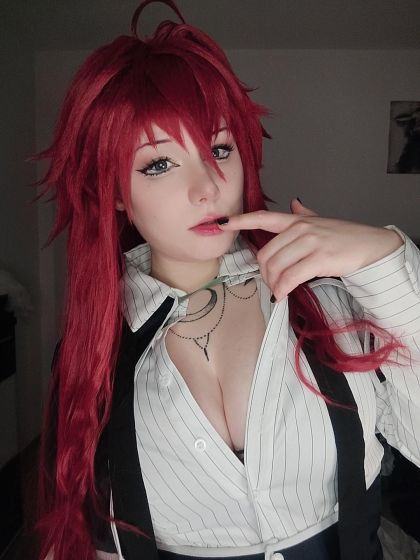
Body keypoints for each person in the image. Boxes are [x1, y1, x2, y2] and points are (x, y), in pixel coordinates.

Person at [36, 1, 420, 559]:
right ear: (115, 192)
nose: (207, 187)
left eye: (219, 149)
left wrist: (385, 258)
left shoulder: (325, 302)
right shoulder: (93, 355)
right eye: (159, 164)